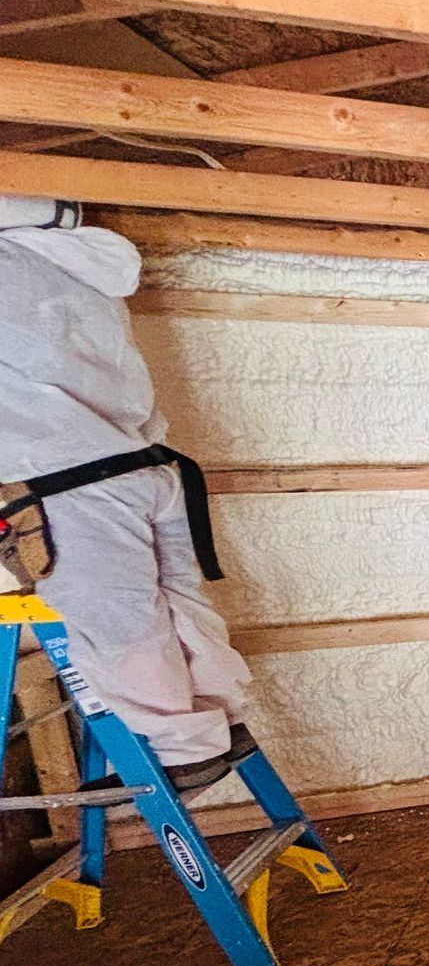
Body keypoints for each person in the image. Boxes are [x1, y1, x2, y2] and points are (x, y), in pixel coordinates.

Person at [0, 195, 253, 790]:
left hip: (70, 481)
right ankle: (222, 718)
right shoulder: (71, 264)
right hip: (143, 467)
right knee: (176, 600)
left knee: (118, 625)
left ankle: (184, 749)